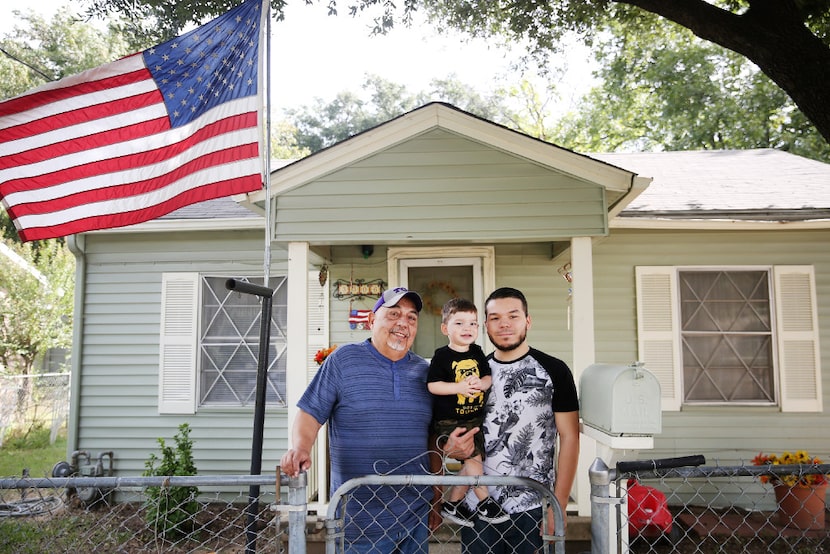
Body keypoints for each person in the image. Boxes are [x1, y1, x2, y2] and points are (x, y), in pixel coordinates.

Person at [280, 286, 454, 553]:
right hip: (357, 522)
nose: (403, 323)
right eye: (394, 314)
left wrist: (437, 497)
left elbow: (433, 439)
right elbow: (310, 414)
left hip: (414, 515)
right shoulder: (343, 361)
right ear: (372, 321)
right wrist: (301, 449)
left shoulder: (426, 373)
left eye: (411, 317)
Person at [447, 287, 580, 553]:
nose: (504, 323)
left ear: (527, 320)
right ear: (485, 325)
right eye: (495, 317)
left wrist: (560, 504)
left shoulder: (554, 370)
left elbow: (570, 437)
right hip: (479, 505)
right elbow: (458, 435)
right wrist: (452, 448)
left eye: (513, 315)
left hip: (533, 507)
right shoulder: (474, 376)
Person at [427, 298, 509, 527]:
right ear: (446, 328)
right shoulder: (442, 356)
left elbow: (487, 377)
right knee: (473, 458)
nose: (467, 328)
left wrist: (482, 384)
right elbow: (433, 386)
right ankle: (485, 501)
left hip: (473, 417)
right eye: (460, 323)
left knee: (475, 462)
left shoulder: (477, 351)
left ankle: (452, 503)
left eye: (473, 323)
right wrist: (459, 388)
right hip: (450, 420)